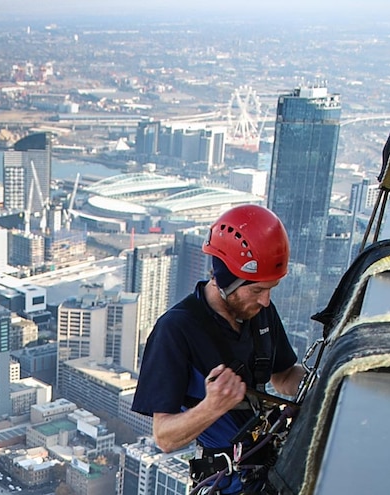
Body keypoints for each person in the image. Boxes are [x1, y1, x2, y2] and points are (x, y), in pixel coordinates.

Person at [131, 204, 305, 494]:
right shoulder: (176, 330)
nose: (266, 301)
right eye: (257, 290)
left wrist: (326, 383)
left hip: (267, 465)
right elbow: (165, 437)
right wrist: (211, 407)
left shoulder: (259, 312)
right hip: (224, 481)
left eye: (270, 289)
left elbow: (284, 376)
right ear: (225, 281)